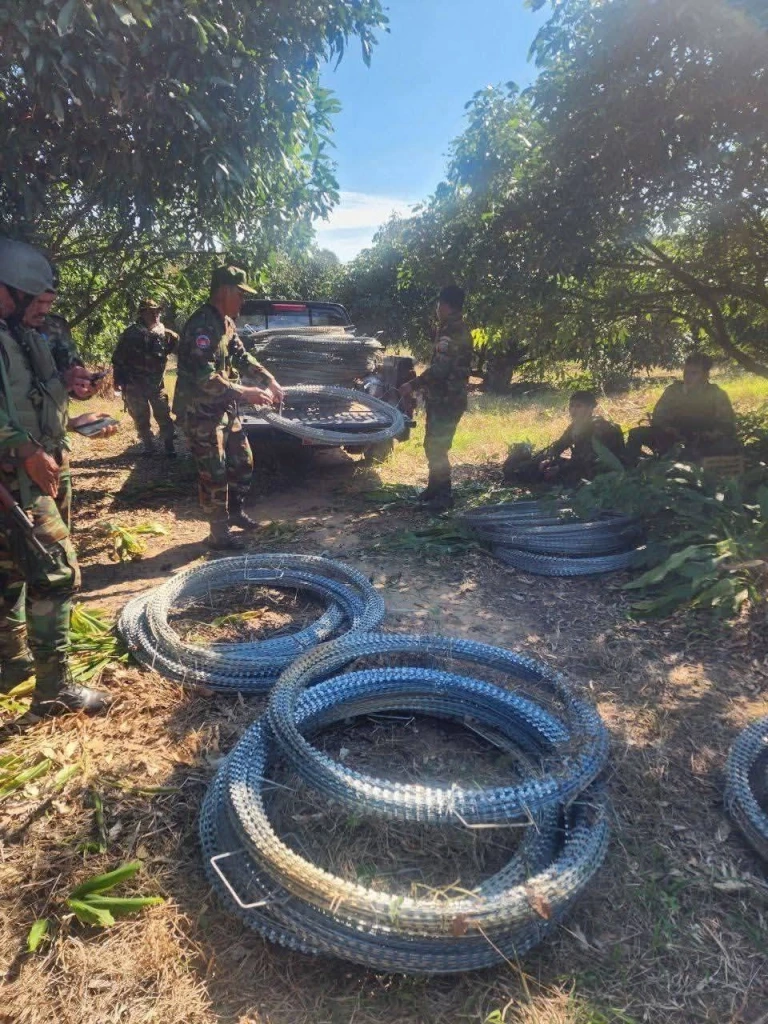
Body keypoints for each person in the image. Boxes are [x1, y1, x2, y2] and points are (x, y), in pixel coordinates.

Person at [0, 238, 111, 715]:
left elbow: (28, 396)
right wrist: (25, 450)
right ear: (11, 290)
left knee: (8, 570)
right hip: (16, 471)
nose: (44, 311)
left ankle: (12, 661)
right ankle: (54, 692)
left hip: (35, 464)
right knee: (54, 571)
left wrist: (67, 384)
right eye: (38, 301)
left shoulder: (19, 331)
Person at [174, 265, 284, 550]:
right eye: (240, 294)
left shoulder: (226, 323)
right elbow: (203, 377)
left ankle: (235, 513)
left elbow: (240, 355)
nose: (243, 301)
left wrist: (268, 379)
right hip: (201, 413)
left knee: (243, 462)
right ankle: (218, 534)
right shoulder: (201, 326)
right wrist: (245, 392)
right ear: (224, 291)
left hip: (224, 409)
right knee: (214, 473)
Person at [399, 285, 473, 511]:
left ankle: (444, 496)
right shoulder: (457, 329)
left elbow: (440, 370)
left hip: (446, 400)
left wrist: (413, 385)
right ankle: (434, 489)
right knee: (432, 444)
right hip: (447, 398)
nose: (436, 309)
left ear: (446, 305)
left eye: (438, 304)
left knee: (437, 447)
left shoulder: (451, 332)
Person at [24, 291, 118, 439]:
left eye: (49, 302)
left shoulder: (55, 325)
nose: (44, 309)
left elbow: (69, 371)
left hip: (48, 437)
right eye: (38, 301)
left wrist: (81, 384)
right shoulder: (6, 332)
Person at [625, 354, 737, 465]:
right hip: (672, 437)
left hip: (703, 440)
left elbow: (727, 424)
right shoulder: (673, 391)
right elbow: (659, 416)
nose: (688, 377)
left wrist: (711, 435)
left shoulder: (717, 395)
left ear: (705, 375)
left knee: (725, 447)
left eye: (694, 373)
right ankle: (631, 469)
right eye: (686, 372)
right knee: (637, 434)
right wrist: (668, 429)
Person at [503, 390, 625, 485]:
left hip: (600, 472)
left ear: (590, 408)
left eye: (578, 406)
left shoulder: (601, 428)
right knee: (540, 462)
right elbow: (559, 446)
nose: (573, 410)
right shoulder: (575, 426)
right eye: (571, 406)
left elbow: (590, 460)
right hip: (579, 466)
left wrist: (559, 468)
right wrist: (549, 459)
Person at [112, 298, 178, 456]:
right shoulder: (130, 334)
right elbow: (118, 359)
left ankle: (169, 446)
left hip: (156, 384)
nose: (155, 315)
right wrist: (118, 380)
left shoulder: (166, 335)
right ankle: (148, 446)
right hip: (135, 384)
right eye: (150, 312)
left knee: (163, 415)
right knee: (141, 417)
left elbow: (175, 348)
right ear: (141, 314)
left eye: (157, 311)